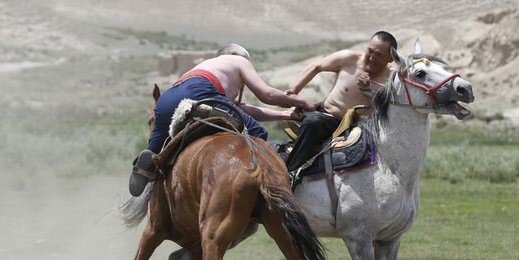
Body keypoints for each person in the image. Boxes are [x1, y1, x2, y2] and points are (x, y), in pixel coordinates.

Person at [129, 43, 315, 197]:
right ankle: (271, 186)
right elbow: (267, 95)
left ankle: (147, 164)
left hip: (168, 99)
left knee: (158, 150)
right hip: (201, 91)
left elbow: (239, 111)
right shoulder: (237, 59)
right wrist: (302, 102)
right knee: (259, 134)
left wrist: (286, 115)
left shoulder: (208, 66)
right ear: (234, 53)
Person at [284, 31, 397, 172]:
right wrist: (294, 92)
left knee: (313, 122)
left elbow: (390, 108)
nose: (372, 58)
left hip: (355, 127)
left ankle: (288, 172)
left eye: (379, 55)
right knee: (301, 118)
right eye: (370, 51)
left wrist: (368, 91)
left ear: (391, 58)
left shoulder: (392, 79)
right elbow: (317, 67)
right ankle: (289, 173)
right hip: (323, 113)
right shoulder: (349, 58)